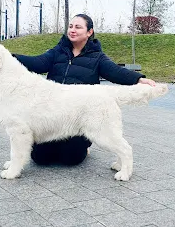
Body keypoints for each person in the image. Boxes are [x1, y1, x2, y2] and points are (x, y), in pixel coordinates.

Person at [13, 13, 156, 166]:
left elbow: (116, 72)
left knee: (70, 159)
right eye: (70, 26)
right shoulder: (58, 51)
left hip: (79, 118)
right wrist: (8, 57)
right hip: (53, 116)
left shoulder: (97, 57)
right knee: (41, 158)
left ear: (89, 32)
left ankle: (84, 145)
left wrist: (139, 79)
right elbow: (37, 63)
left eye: (78, 27)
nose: (72, 30)